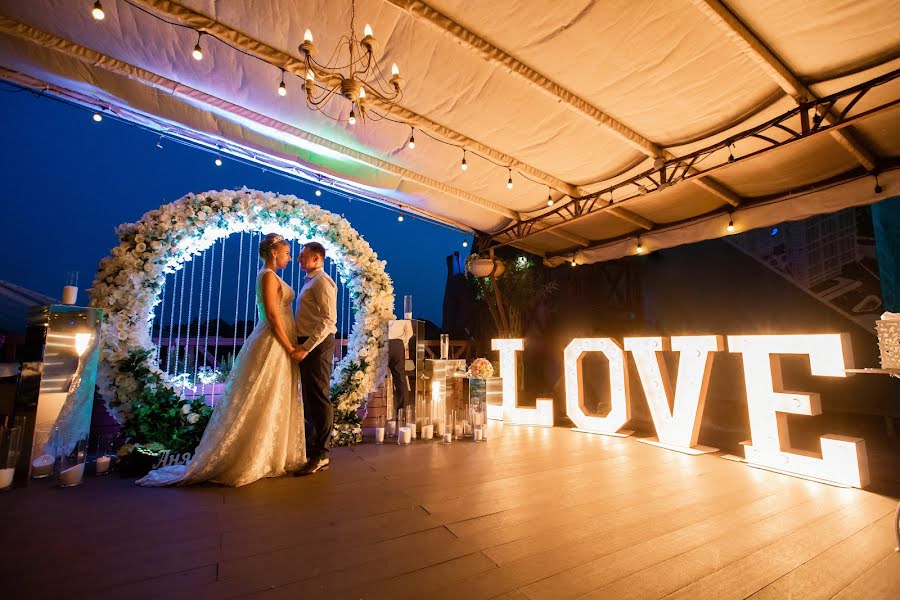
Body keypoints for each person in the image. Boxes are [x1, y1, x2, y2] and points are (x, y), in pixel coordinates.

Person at [137, 234, 306, 487]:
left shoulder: (272, 275)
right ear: (274, 253)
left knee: (275, 394)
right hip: (274, 341)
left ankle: (272, 453)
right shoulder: (268, 276)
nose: (290, 257)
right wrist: (289, 344)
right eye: (287, 252)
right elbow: (272, 314)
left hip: (279, 340)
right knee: (264, 393)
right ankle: (253, 456)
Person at [292, 241, 337, 476]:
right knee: (310, 397)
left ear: (317, 258)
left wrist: (306, 348)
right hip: (308, 344)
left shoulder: (322, 282)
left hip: (317, 345)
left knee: (319, 397)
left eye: (303, 256)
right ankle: (312, 450)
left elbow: (329, 321)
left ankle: (322, 453)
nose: (299, 260)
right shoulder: (310, 281)